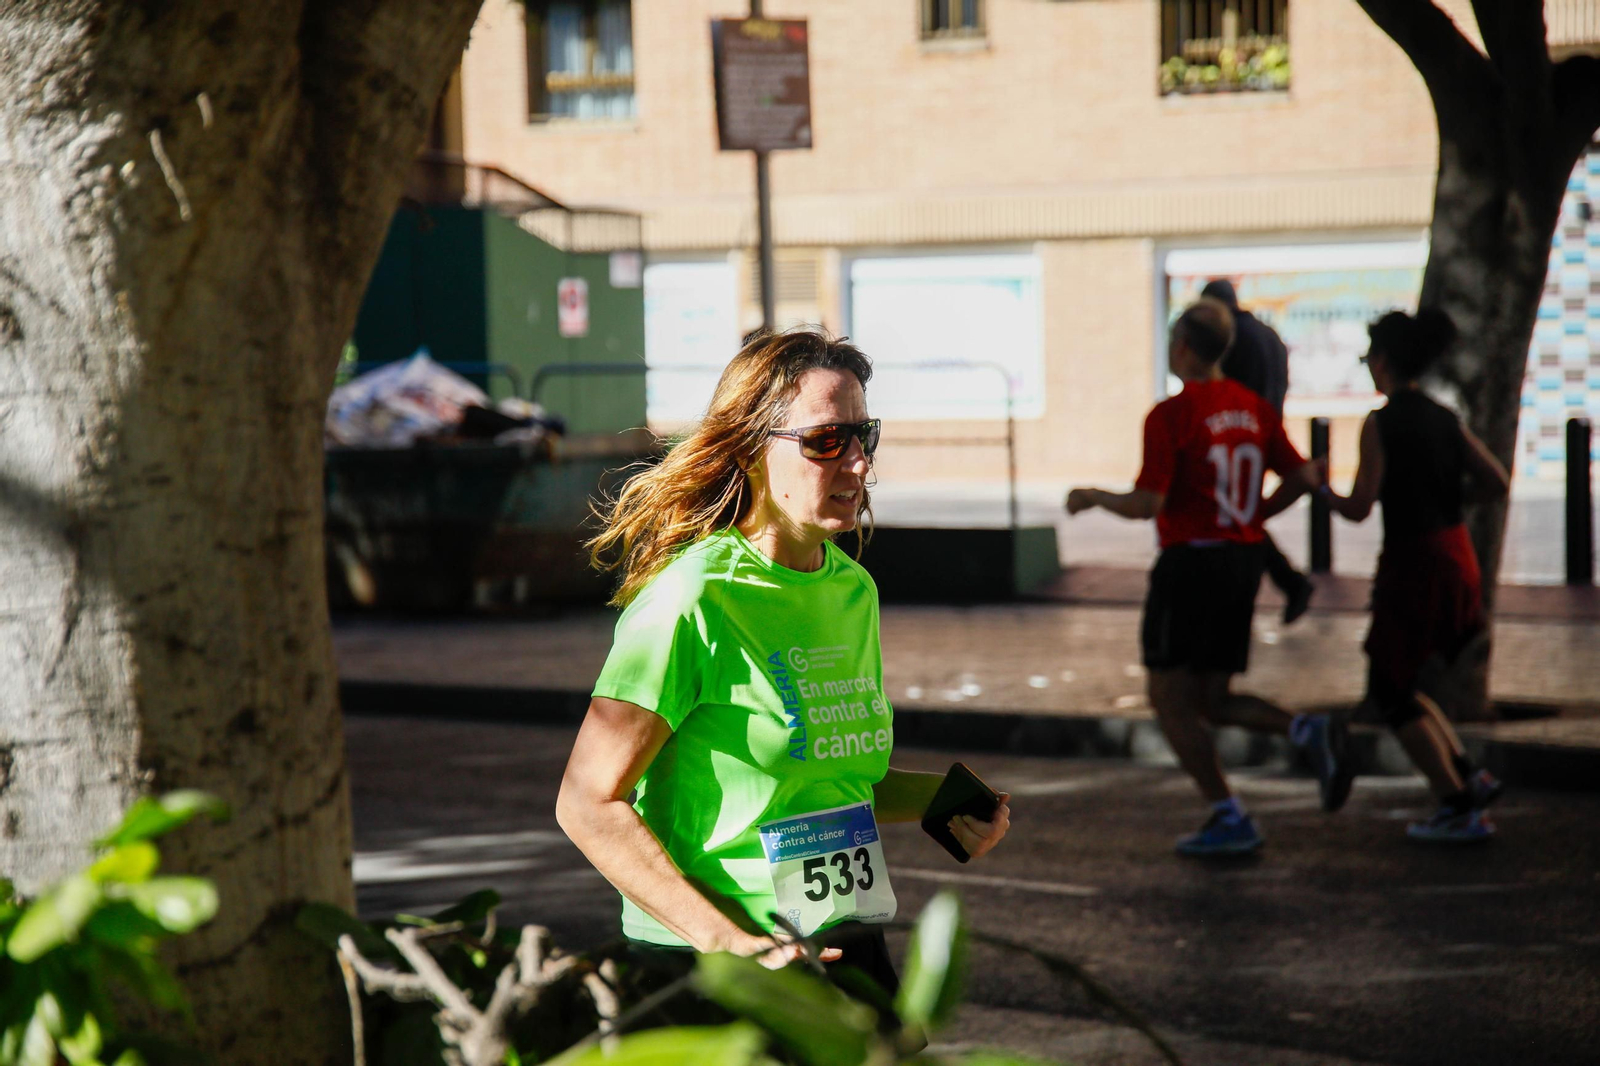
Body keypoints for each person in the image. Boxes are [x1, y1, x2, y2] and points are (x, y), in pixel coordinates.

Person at [556, 327, 1012, 998]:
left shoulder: (850, 589)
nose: (858, 464)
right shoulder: (693, 601)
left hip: (844, 945)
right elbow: (587, 803)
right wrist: (731, 942)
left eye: (866, 436)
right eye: (828, 441)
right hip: (718, 967)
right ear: (748, 449)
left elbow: (823, 783)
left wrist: (944, 804)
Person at [1065, 299, 1349, 857]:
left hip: (1190, 566)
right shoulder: (1254, 408)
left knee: (1169, 699)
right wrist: (1253, 517)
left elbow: (1149, 503)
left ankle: (1228, 811)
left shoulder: (1172, 415)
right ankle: (1305, 733)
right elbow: (1300, 476)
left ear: (1184, 348)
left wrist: (1094, 496)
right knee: (1213, 699)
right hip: (1239, 564)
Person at [1321, 309, 1508, 843]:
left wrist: (1320, 488)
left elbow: (1359, 506)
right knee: (1407, 679)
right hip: (1457, 555)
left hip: (1413, 561)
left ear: (1382, 361)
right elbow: (1496, 480)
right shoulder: (1445, 417)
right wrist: (1452, 497)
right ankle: (1470, 777)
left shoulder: (1381, 423)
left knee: (1388, 688)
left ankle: (1455, 802)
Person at [1201, 278, 1316, 623]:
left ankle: (1289, 583)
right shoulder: (1271, 336)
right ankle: (1290, 583)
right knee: (1241, 513)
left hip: (1236, 438)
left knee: (1234, 515)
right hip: (1265, 434)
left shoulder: (1230, 338)